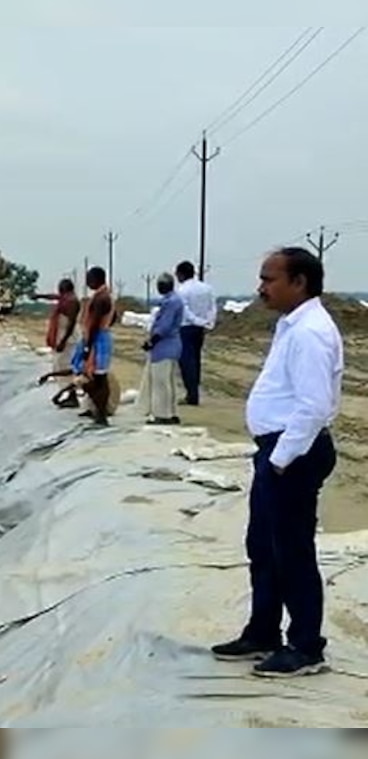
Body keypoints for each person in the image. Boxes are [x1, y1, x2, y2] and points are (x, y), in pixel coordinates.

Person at [210, 247, 343, 678]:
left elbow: (314, 405)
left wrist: (282, 459)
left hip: (294, 454)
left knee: (292, 552)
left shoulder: (310, 333)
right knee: (263, 546)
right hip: (278, 450)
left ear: (299, 282)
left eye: (269, 279)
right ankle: (263, 630)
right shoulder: (292, 325)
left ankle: (305, 646)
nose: (261, 288)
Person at [140, 273, 184, 425]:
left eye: (160, 284)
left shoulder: (170, 302)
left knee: (160, 383)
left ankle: (162, 415)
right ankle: (171, 412)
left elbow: (164, 326)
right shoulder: (174, 300)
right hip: (172, 346)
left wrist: (151, 341)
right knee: (169, 382)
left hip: (164, 346)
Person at [174, 260, 217, 406]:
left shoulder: (182, 290)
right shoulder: (207, 288)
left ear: (181, 274)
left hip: (186, 327)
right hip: (200, 328)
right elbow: (212, 307)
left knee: (187, 361)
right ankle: (194, 392)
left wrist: (197, 321)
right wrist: (208, 322)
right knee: (196, 360)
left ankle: (191, 395)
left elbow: (185, 311)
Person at [33, 279, 82, 404]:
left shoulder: (72, 302)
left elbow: (71, 324)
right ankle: (69, 394)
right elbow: (54, 297)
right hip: (62, 337)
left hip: (68, 339)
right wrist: (40, 296)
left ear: (64, 289)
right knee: (60, 364)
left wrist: (63, 341)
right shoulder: (66, 299)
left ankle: (72, 395)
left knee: (65, 365)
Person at [78, 266, 115, 426]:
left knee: (98, 378)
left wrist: (88, 346)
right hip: (100, 336)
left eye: (88, 279)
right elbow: (114, 317)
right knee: (96, 377)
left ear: (96, 279)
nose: (86, 282)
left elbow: (93, 324)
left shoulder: (101, 299)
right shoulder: (105, 296)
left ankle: (101, 414)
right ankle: (99, 411)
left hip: (98, 339)